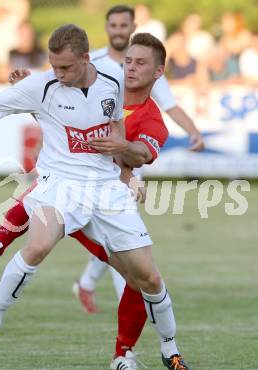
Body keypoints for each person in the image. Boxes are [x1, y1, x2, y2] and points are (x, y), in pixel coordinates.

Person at [0, 24, 193, 370]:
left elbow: (119, 136)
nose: (57, 74)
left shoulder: (112, 82)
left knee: (149, 278)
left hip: (105, 189)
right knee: (39, 244)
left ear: (84, 59)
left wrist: (123, 163)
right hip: (59, 184)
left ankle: (170, 351)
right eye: (53, 66)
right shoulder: (43, 85)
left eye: (64, 67)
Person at [75, 5, 204, 313]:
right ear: (107, 28)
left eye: (124, 25)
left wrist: (193, 131)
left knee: (119, 236)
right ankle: (97, 286)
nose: (118, 30)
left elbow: (169, 106)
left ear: (132, 26)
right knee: (113, 235)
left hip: (126, 164)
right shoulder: (94, 64)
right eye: (114, 25)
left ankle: (105, 292)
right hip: (88, 168)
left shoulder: (147, 66)